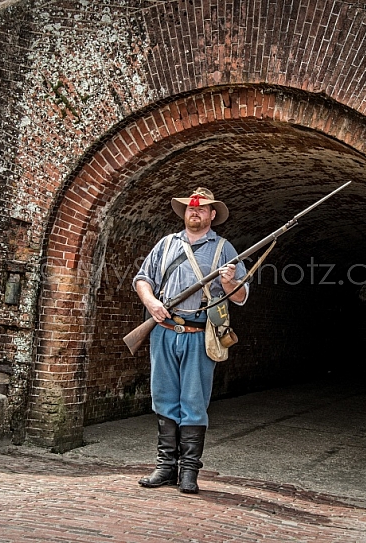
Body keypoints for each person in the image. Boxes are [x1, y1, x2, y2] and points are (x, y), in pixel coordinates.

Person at [132, 187, 249, 494]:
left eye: (202, 208)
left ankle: (189, 472)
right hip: (164, 330)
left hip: (200, 335)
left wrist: (229, 282)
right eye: (190, 208)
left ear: (212, 214)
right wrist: (151, 304)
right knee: (164, 399)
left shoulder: (224, 249)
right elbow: (143, 279)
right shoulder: (166, 244)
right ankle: (166, 467)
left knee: (193, 404)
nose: (194, 212)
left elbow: (241, 297)